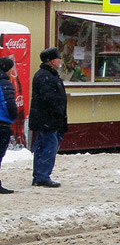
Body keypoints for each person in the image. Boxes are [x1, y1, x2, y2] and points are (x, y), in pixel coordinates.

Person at [29, 47, 68, 188]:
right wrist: (58, 111)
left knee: (43, 146)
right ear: (51, 61)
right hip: (48, 119)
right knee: (49, 146)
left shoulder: (47, 74)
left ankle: (40, 175)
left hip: (46, 119)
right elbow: (49, 99)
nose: (60, 61)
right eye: (58, 58)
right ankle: (42, 176)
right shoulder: (46, 76)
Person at [0, 57, 18, 194]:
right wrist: (12, 118)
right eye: (11, 67)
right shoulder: (5, 83)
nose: (13, 70)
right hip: (2, 124)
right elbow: (9, 105)